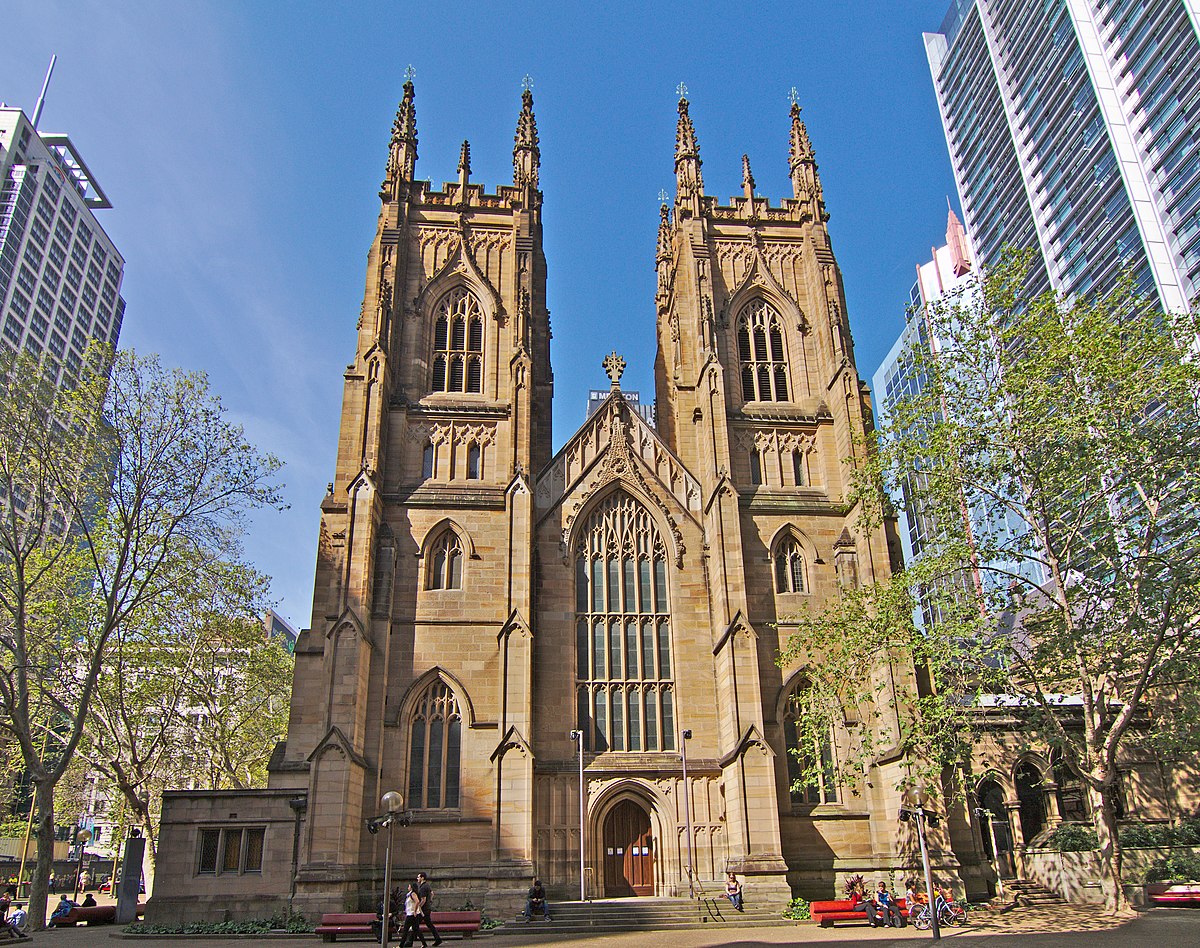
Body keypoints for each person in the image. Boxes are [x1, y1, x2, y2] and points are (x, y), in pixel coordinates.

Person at [415, 872, 442, 947]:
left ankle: (411, 940)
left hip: (423, 910)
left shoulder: (423, 887)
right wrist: (430, 902)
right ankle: (437, 939)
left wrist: (418, 907)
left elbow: (423, 899)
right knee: (429, 924)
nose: (417, 878)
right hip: (427, 908)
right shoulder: (427, 885)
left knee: (415, 924)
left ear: (422, 878)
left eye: (418, 877)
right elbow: (432, 893)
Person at [398, 883, 428, 947]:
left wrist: (414, 911)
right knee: (416, 929)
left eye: (409, 886)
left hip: (411, 914)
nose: (408, 887)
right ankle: (424, 943)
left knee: (406, 930)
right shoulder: (409, 895)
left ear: (411, 887)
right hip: (411, 914)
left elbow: (417, 901)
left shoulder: (412, 894)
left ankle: (401, 945)